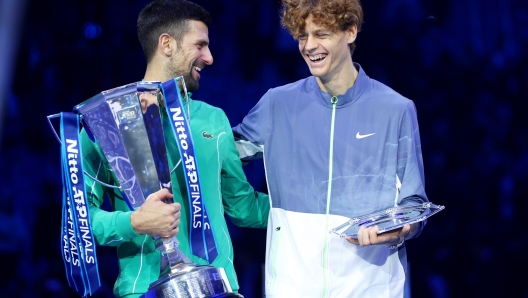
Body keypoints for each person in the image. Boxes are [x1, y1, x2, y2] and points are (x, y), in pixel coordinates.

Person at [233, 0, 428, 297]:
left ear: (350, 32)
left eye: (321, 34)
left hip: (370, 288)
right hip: (292, 288)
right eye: (302, 36)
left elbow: (414, 206)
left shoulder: (396, 109)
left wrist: (398, 231)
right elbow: (224, 157)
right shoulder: (277, 104)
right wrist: (257, 209)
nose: (309, 46)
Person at [80, 1, 269, 297]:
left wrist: (310, 212)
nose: (209, 57)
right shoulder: (106, 122)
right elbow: (79, 220)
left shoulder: (213, 119)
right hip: (146, 290)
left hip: (218, 288)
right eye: (200, 45)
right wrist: (134, 222)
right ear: (167, 44)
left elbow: (243, 207)